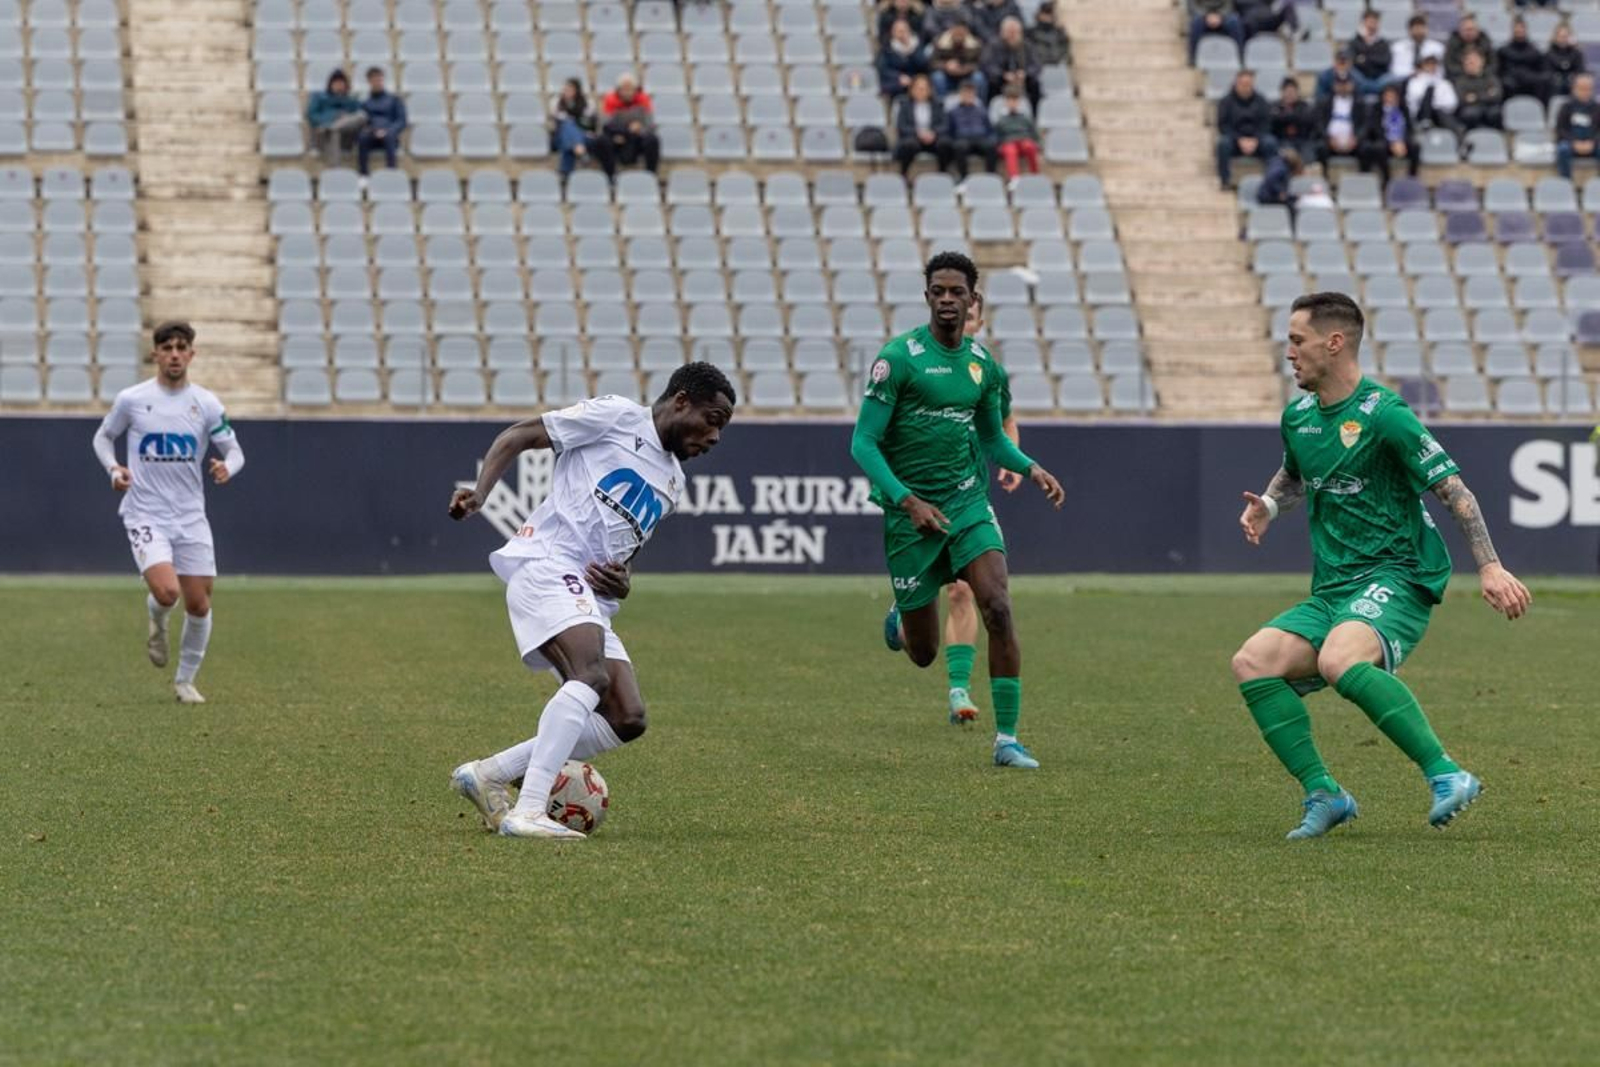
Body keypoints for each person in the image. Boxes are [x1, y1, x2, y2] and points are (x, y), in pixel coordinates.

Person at [1231, 291, 1531, 840]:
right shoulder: (1298, 416)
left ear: (1334, 343)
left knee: (1339, 660)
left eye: (1297, 340)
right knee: (1253, 662)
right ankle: (1325, 794)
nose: (1289, 352)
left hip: (1398, 574)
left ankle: (1446, 773)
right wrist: (1269, 506)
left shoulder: (1386, 415)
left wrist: (1490, 567)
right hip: (1332, 589)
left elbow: (1455, 492)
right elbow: (1295, 474)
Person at [447, 363, 738, 840]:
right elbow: (519, 435)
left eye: (722, 428)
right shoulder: (617, 416)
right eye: (713, 419)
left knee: (626, 716)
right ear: (681, 401)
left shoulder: (673, 482)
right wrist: (481, 494)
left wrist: (624, 581)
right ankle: (529, 809)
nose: (715, 436)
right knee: (590, 677)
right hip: (547, 563)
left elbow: (624, 550)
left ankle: (489, 774)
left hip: (587, 595)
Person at [850, 251, 1064, 770]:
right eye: (938, 291)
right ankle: (902, 619)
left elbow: (992, 438)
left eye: (957, 292)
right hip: (910, 515)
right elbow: (863, 443)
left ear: (973, 300)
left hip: (967, 503)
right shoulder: (897, 359)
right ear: (927, 297)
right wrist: (906, 499)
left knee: (998, 605)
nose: (948, 300)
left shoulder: (984, 366)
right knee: (924, 653)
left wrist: (1030, 466)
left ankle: (1007, 740)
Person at [90, 322, 245, 705]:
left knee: (199, 604)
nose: (174, 354)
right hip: (145, 512)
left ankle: (184, 681)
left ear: (191, 354)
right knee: (167, 591)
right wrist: (114, 469)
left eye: (181, 347)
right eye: (167, 347)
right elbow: (103, 437)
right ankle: (158, 621)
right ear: (155, 354)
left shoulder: (206, 404)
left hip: (191, 516)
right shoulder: (132, 399)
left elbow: (235, 451)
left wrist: (228, 468)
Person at [938, 291, 1023, 727]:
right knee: (922, 610)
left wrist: (1012, 458)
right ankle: (904, 603)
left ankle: (958, 689)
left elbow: (1006, 420)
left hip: (969, 495)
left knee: (962, 591)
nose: (962, 320)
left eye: (971, 316)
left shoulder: (986, 370)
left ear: (979, 323)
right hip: (925, 493)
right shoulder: (923, 364)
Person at [1217, 69, 1278, 189]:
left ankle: (1270, 180)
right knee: (1223, 144)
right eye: (1242, 84)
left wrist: (1255, 139)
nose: (1245, 87)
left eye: (1248, 84)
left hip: (1257, 140)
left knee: (1270, 143)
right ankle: (1225, 181)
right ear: (1236, 83)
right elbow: (1223, 125)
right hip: (1234, 140)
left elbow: (1266, 124)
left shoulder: (1261, 101)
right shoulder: (1226, 102)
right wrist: (1239, 139)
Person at [599, 73, 661, 176]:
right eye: (624, 89)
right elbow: (605, 125)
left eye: (630, 89)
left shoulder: (643, 100)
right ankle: (610, 176)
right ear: (618, 90)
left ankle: (651, 175)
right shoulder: (610, 100)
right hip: (618, 139)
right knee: (602, 141)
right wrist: (623, 132)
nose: (627, 93)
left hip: (637, 139)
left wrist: (639, 129)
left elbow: (650, 125)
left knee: (652, 139)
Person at [1359, 83, 1418, 184]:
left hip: (1401, 142)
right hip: (1385, 141)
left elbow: (1409, 129)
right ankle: (1387, 180)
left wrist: (1402, 142)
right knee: (1379, 148)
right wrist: (1392, 143)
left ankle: (1411, 178)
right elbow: (1376, 130)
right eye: (1387, 96)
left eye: (1392, 96)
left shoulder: (1404, 109)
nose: (1390, 99)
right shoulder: (1377, 109)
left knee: (1415, 147)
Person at [893, 74, 950, 175]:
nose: (921, 91)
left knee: (945, 144)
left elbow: (944, 124)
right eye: (918, 88)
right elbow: (901, 126)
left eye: (924, 89)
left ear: (930, 90)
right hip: (914, 138)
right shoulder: (904, 105)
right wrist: (918, 133)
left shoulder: (938, 104)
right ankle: (904, 174)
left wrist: (933, 133)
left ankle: (943, 173)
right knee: (908, 145)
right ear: (912, 90)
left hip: (933, 138)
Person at [304, 68, 363, 166]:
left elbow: (359, 118)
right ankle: (336, 169)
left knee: (362, 116)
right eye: (336, 83)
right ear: (330, 84)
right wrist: (333, 117)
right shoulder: (319, 97)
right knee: (334, 133)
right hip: (324, 137)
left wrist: (344, 118)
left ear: (346, 85)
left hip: (345, 138)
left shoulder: (351, 100)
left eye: (342, 83)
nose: (339, 85)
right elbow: (311, 115)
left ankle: (332, 127)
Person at [981, 16, 1040, 112]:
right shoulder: (993, 46)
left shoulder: (1027, 46)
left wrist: (1025, 74)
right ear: (1002, 32)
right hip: (1000, 80)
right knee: (988, 83)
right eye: (1009, 32)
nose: (1012, 35)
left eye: (1015, 32)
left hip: (1022, 80)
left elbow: (1036, 65)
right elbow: (987, 65)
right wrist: (1003, 75)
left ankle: (1033, 114)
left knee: (1035, 85)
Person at [549, 78, 603, 179]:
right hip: (560, 137)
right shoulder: (556, 102)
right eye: (565, 89)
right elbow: (557, 122)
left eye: (570, 90)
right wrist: (575, 121)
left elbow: (589, 124)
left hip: (585, 136)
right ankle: (580, 149)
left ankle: (564, 173)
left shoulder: (587, 103)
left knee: (570, 141)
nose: (567, 92)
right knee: (567, 125)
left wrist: (575, 121)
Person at [357, 66, 406, 176]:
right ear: (369, 82)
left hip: (389, 135)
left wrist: (389, 130)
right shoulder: (365, 102)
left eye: (379, 79)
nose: (377, 82)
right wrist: (372, 130)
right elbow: (362, 121)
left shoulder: (394, 99)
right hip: (372, 134)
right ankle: (363, 174)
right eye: (374, 80)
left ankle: (391, 173)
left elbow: (402, 120)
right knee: (362, 137)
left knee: (389, 136)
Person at [944, 79, 999, 178]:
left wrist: (992, 139)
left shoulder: (981, 110)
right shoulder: (953, 111)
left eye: (971, 93)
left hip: (980, 138)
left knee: (991, 146)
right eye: (966, 92)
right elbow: (949, 130)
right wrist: (953, 140)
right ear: (960, 94)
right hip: (962, 138)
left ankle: (990, 176)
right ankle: (963, 177)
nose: (968, 95)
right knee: (959, 147)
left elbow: (990, 129)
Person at [1315, 76, 1367, 173]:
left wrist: (1356, 139)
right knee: (1320, 148)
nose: (1343, 87)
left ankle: (1362, 176)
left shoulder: (1359, 103)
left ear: (1351, 85)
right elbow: (1320, 123)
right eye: (1340, 84)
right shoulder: (1325, 102)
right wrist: (1329, 139)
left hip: (1352, 141)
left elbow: (1365, 124)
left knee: (1366, 149)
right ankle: (1324, 177)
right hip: (1331, 141)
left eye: (1346, 84)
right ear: (1334, 86)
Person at [1497, 17, 1554, 104]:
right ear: (1512, 30)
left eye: (1521, 28)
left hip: (1531, 83)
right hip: (1510, 84)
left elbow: (1543, 70)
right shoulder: (1503, 51)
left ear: (1526, 30)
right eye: (1517, 28)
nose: (1519, 31)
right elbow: (1500, 70)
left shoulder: (1534, 51)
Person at [994, 84, 1042, 183]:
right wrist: (998, 145)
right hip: (1008, 142)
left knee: (1030, 146)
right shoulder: (1001, 119)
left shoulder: (1025, 118)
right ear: (1006, 102)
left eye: (1015, 100)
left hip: (1023, 140)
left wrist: (1037, 142)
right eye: (1010, 101)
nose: (1012, 103)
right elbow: (997, 134)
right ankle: (1014, 179)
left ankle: (1035, 174)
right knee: (1010, 150)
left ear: (1019, 102)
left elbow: (1033, 131)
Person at [1555, 73, 1599, 180]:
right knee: (1562, 149)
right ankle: (1566, 181)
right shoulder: (1566, 107)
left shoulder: (1597, 108)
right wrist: (1574, 142)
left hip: (1592, 143)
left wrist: (1593, 142)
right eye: (1582, 89)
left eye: (1588, 89)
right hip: (1571, 143)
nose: (1585, 92)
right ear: (1574, 89)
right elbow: (1561, 129)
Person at [878, 18, 931, 100]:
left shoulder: (917, 44)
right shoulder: (887, 47)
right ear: (892, 32)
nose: (901, 33)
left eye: (903, 30)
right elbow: (883, 68)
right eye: (898, 31)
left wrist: (910, 49)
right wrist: (898, 76)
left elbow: (923, 64)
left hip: (916, 78)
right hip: (896, 80)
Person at [1406, 53, 1460, 134]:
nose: (1431, 67)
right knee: (1429, 91)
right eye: (1428, 64)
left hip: (1440, 115)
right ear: (1422, 65)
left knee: (1438, 111)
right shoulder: (1415, 82)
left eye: (1433, 64)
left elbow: (1452, 103)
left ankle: (1457, 131)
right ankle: (1425, 121)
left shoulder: (1444, 83)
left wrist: (1436, 105)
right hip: (1420, 114)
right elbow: (1413, 99)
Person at [931, 22, 986, 100]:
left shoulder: (975, 44)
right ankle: (940, 103)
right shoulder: (940, 43)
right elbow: (933, 63)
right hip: (947, 75)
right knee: (937, 77)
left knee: (978, 77)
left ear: (966, 32)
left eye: (961, 31)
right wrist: (945, 65)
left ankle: (978, 103)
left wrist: (965, 68)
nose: (959, 34)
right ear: (951, 30)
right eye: (956, 31)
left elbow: (981, 64)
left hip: (967, 75)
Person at [1453, 49, 1505, 130]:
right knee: (1470, 113)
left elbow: (1498, 95)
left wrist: (1476, 97)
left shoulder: (1491, 78)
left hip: (1489, 109)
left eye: (1473, 61)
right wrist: (1487, 94)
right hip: (1470, 112)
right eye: (1467, 61)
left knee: (1496, 112)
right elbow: (1462, 99)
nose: (1470, 63)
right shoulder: (1460, 81)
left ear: (1482, 61)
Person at [1388, 14, 1445, 82]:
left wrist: (1424, 74)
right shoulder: (1398, 47)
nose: (1419, 32)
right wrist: (1413, 73)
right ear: (1409, 30)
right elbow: (1395, 70)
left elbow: (1441, 71)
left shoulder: (1437, 48)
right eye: (1416, 28)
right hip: (1403, 81)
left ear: (1427, 29)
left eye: (1422, 28)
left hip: (1430, 82)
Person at [1270, 77, 1317, 159]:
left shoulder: (1304, 106)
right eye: (1287, 92)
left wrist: (1286, 116)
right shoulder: (1275, 106)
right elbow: (1274, 120)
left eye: (1292, 92)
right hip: (1282, 140)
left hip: (1302, 140)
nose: (1290, 95)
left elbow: (1307, 119)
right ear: (1282, 92)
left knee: (1309, 153)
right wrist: (1292, 117)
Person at [1189, 0, 1244, 66]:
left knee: (1234, 21)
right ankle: (1193, 58)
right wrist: (1206, 16)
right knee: (1196, 22)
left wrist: (1220, 15)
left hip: (1222, 15)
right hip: (1203, 15)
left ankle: (1240, 56)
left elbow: (1229, 4)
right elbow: (1192, 6)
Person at [1347, 9, 1392, 87]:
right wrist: (1373, 58)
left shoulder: (1383, 43)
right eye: (1370, 22)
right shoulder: (1355, 41)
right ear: (1364, 22)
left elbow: (1385, 60)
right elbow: (1353, 60)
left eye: (1375, 22)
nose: (1372, 25)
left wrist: (1365, 58)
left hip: (1380, 78)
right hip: (1360, 78)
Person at [1445, 14, 1495, 81]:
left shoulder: (1485, 43)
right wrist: (1468, 71)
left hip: (1483, 79)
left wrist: (1480, 72)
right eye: (1466, 30)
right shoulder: (1452, 44)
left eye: (1472, 29)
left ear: (1477, 30)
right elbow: (1449, 65)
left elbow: (1493, 64)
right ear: (1460, 30)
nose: (1469, 33)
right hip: (1458, 79)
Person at [1256, 146, 1304, 213]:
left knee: (1293, 199)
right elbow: (1271, 178)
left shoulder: (1277, 162)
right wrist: (1280, 192)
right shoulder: (1281, 168)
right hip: (1267, 197)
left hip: (1266, 195)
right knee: (1292, 206)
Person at [1547, 24, 1586, 98]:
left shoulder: (1577, 54)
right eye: (1561, 36)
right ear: (1555, 37)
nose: (1563, 39)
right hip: (1554, 89)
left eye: (1565, 36)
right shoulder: (1549, 54)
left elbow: (1581, 72)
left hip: (1573, 88)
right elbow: (1547, 73)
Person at [1026, 2, 1070, 68]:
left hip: (1057, 67)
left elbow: (1065, 54)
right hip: (1037, 68)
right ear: (1039, 14)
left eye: (1049, 14)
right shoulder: (1030, 33)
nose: (1046, 17)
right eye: (1044, 14)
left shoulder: (1060, 33)